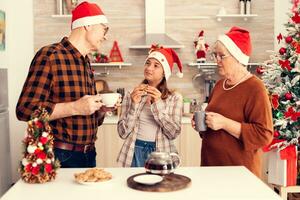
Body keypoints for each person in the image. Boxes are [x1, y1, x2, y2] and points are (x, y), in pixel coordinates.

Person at [16, 1, 113, 168]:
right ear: (88, 25)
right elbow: (24, 109)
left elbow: (85, 116)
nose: (106, 35)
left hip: (89, 154)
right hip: (61, 156)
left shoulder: (85, 61)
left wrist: (100, 111)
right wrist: (75, 107)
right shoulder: (50, 56)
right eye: (104, 28)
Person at [192, 27, 273, 177]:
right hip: (211, 168)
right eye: (215, 55)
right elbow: (216, 129)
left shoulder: (255, 88)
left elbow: (264, 135)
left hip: (239, 173)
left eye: (221, 56)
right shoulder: (219, 85)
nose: (216, 60)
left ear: (238, 58)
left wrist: (225, 123)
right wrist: (203, 125)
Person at [117, 45, 183, 167]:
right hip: (133, 152)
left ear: (164, 72)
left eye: (156, 65)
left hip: (161, 154)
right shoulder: (131, 94)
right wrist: (134, 105)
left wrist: (158, 104)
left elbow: (173, 133)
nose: (149, 68)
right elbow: (122, 133)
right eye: (147, 63)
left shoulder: (175, 98)